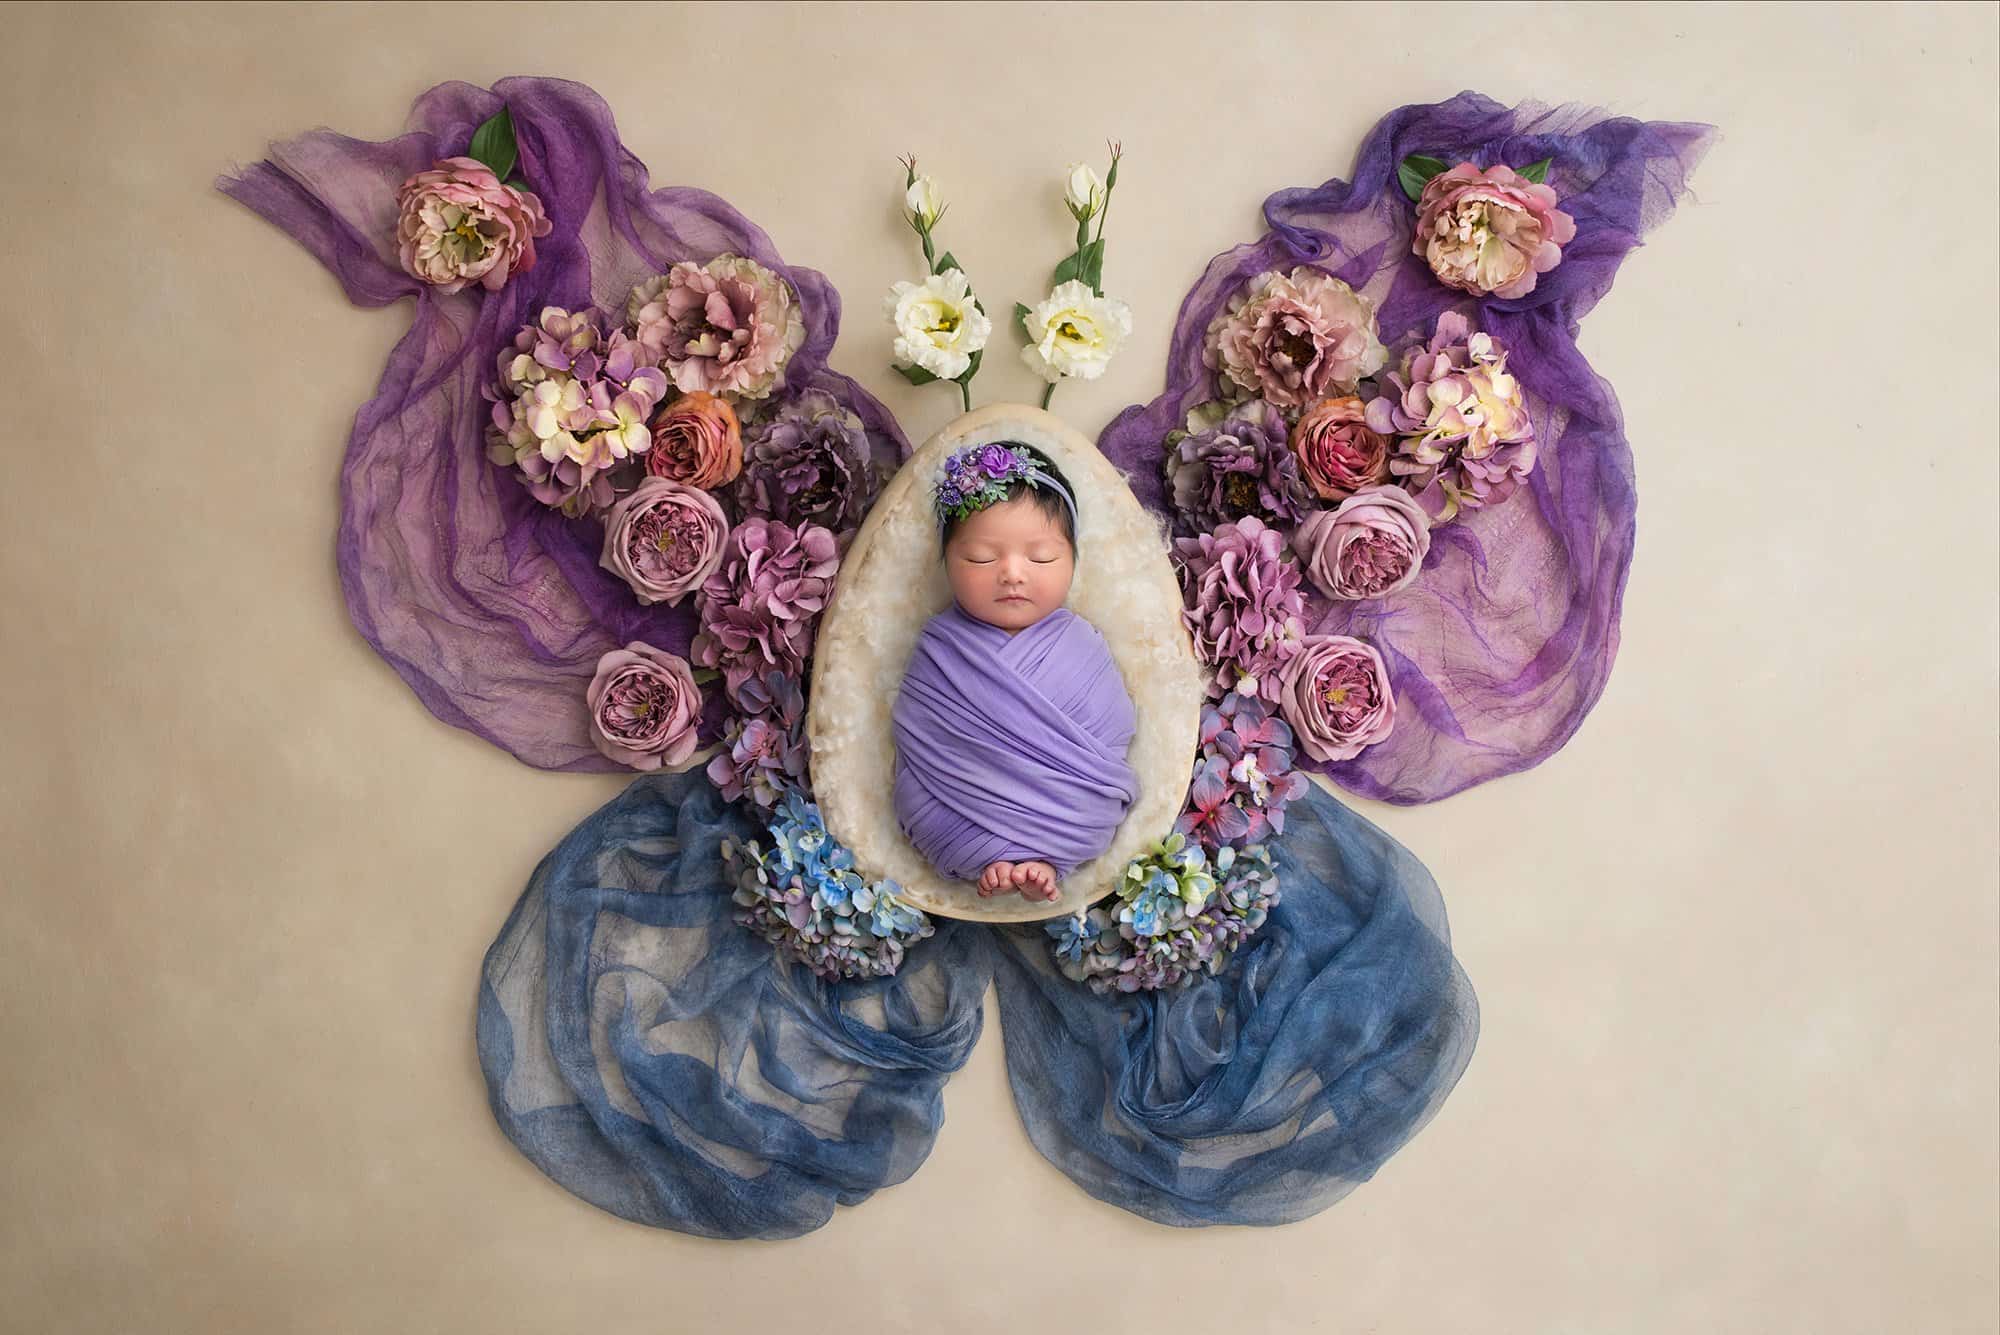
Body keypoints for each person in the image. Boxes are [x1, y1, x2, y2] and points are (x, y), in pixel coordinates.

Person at [891, 443, 1139, 902]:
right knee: (915, 793)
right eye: (981, 557)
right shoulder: (940, 647)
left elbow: (1113, 730)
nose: (1012, 574)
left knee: (1097, 801)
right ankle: (999, 858)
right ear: (947, 563)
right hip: (956, 811)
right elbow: (918, 734)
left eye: (1040, 557)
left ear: (1073, 560)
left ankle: (1044, 860)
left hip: (1065, 811)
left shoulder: (1082, 645)